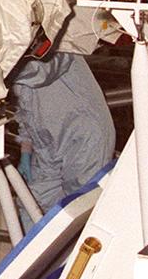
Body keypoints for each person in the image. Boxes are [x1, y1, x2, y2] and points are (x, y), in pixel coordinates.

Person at [10, 51, 115, 210]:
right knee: (30, 204)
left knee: (77, 209)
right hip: (48, 149)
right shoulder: (12, 62)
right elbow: (25, 111)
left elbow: (43, 72)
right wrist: (26, 149)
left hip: (84, 140)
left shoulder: (61, 42)